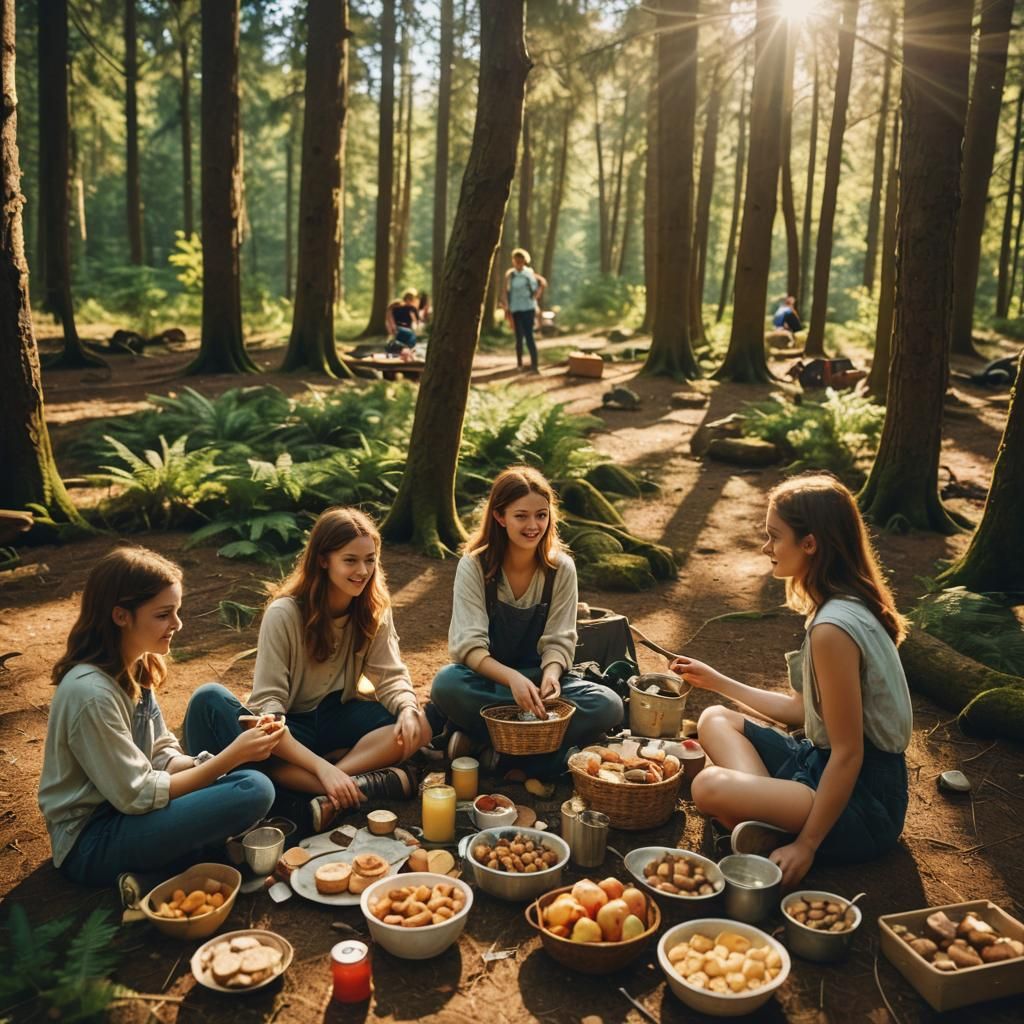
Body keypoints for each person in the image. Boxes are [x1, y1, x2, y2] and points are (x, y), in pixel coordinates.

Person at [668, 473, 912, 888]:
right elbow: (801, 711)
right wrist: (717, 681)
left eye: (774, 536)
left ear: (810, 543)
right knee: (714, 718)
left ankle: (779, 827)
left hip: (863, 800)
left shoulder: (834, 628)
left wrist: (807, 845)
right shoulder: (840, 605)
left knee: (707, 786)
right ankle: (766, 817)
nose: (766, 547)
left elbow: (849, 753)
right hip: (818, 764)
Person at [182, 507, 432, 835]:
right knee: (213, 702)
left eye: (370, 560)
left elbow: (390, 676)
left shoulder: (373, 609)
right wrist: (317, 766)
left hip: (335, 715)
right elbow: (269, 705)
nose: (362, 571)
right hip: (290, 727)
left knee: (419, 727)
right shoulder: (284, 614)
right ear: (323, 559)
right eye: (350, 560)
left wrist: (407, 709)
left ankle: (332, 781)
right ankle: (340, 782)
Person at [38, 547, 278, 887]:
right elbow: (137, 795)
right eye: (164, 615)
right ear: (121, 616)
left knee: (210, 701)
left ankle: (182, 860)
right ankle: (177, 867)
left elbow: (161, 753)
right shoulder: (91, 694)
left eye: (176, 611)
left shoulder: (136, 665)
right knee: (254, 789)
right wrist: (230, 758)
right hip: (93, 841)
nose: (177, 624)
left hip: (132, 811)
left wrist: (207, 764)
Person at [429, 467, 623, 778]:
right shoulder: (474, 565)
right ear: (500, 516)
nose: (533, 526)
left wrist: (552, 674)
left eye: (541, 515)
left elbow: (560, 639)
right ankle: (546, 756)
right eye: (521, 516)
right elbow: (469, 646)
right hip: (489, 681)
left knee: (609, 704)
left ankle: (490, 748)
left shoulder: (561, 569)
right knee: (446, 684)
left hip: (540, 684)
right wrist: (512, 680)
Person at [502, 248, 547, 373]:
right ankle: (519, 364)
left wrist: (537, 295)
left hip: (528, 308)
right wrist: (506, 307)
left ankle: (535, 365)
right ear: (513, 261)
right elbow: (505, 291)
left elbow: (542, 283)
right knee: (518, 337)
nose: (518, 263)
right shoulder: (510, 275)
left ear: (524, 261)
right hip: (515, 309)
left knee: (529, 336)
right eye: (516, 260)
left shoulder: (529, 273)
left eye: (520, 260)